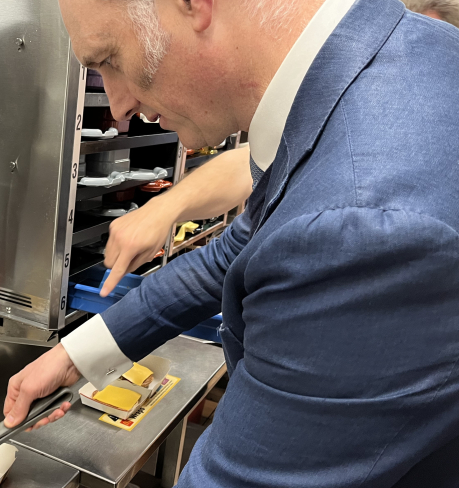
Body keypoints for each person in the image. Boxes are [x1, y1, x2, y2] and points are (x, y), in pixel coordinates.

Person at [0, 0, 459, 488]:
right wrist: (76, 354)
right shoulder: (392, 61)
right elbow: (232, 252)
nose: (118, 106)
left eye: (110, 59)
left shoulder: (365, 230)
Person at [101, 0, 459, 297]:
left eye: (110, 59)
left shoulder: (360, 220)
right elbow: (245, 222)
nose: (118, 109)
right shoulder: (321, 121)